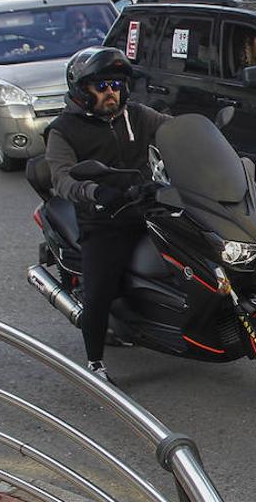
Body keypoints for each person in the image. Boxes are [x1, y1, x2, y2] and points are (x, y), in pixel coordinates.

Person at [44, 48, 171, 384]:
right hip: (104, 219)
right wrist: (95, 192)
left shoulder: (139, 115)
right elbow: (61, 177)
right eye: (100, 86)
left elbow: (177, 131)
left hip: (147, 204)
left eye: (115, 84)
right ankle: (95, 362)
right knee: (99, 289)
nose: (110, 92)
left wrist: (208, 140)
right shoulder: (64, 130)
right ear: (81, 91)